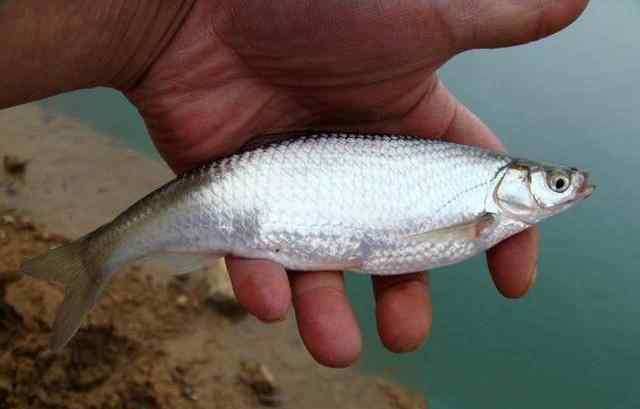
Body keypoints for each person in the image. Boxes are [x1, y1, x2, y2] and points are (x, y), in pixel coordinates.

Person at [0, 0, 589, 368]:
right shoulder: (483, 203)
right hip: (248, 190)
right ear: (517, 183)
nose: (563, 190)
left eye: (557, 185)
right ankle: (94, 257)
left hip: (254, 188)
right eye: (557, 184)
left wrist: (162, 19)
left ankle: (95, 257)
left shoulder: (485, 205)